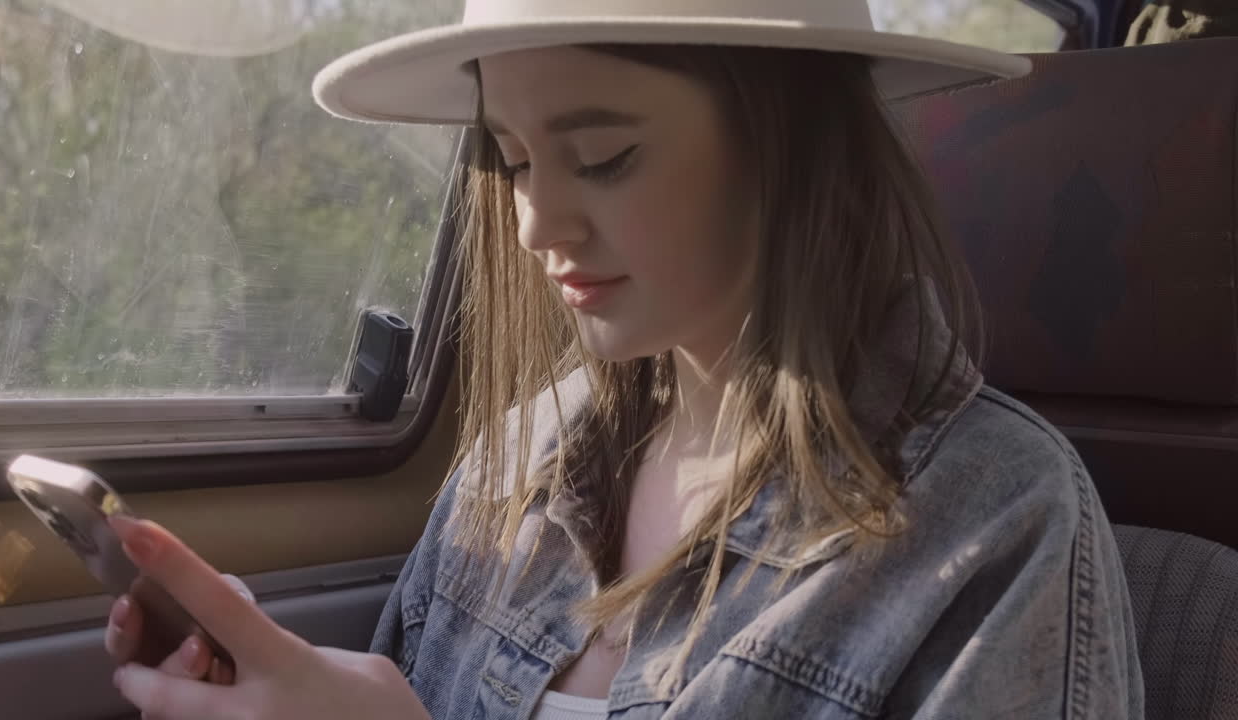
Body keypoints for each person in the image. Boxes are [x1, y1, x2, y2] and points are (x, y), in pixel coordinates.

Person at [102, 1, 1146, 718]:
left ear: (786, 146)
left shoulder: (995, 527)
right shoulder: (511, 468)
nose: (534, 224)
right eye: (510, 160)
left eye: (602, 158)